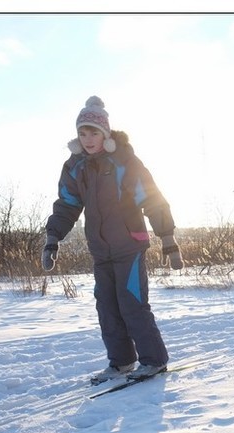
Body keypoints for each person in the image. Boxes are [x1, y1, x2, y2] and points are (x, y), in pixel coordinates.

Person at [42, 96, 184, 384]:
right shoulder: (75, 167)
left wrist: (168, 241)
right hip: (100, 248)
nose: (88, 139)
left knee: (131, 302)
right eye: (82, 133)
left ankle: (153, 360)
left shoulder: (124, 162)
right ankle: (121, 362)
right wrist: (52, 239)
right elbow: (67, 205)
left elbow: (152, 200)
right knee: (106, 305)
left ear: (105, 133)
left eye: (93, 132)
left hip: (129, 244)